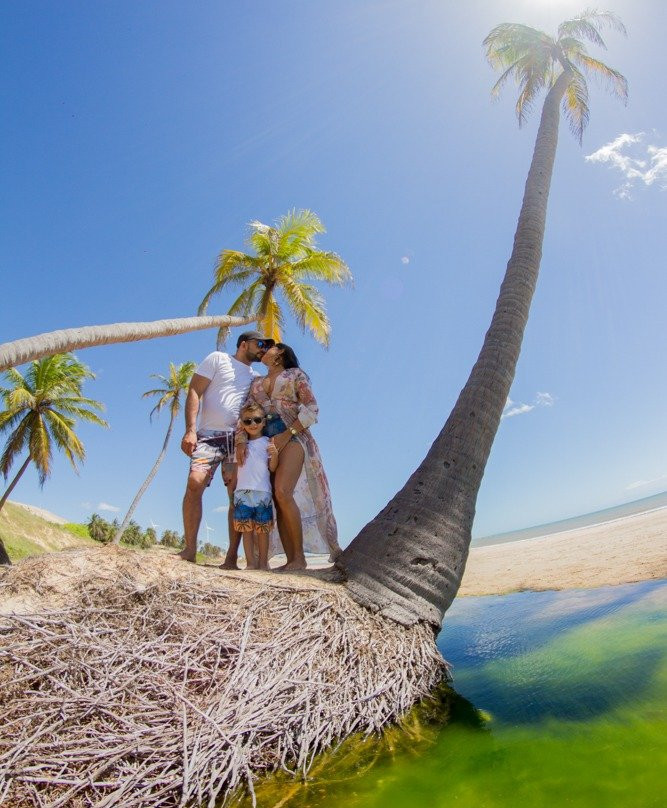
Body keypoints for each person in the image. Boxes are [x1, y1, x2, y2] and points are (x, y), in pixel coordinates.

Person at [237, 342, 341, 570]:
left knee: (283, 492)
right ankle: (291, 560)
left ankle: (299, 559)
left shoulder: (295, 375)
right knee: (276, 498)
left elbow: (312, 409)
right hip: (264, 442)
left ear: (281, 352)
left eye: (270, 348)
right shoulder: (255, 383)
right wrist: (241, 440)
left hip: (293, 436)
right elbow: (244, 413)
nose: (264, 350)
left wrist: (287, 433)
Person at [178, 331, 273, 566]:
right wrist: (190, 429)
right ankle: (189, 549)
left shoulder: (255, 377)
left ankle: (231, 557)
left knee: (236, 498)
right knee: (194, 483)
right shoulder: (218, 358)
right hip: (208, 436)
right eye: (260, 343)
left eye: (266, 346)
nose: (263, 348)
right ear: (243, 344)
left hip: (238, 440)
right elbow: (194, 390)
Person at [233, 402, 279, 570]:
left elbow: (272, 467)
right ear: (242, 424)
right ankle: (250, 563)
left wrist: (275, 455)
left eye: (257, 420)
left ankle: (263, 563)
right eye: (247, 421)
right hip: (242, 492)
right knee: (246, 530)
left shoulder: (268, 442)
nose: (253, 424)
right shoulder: (239, 446)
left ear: (264, 422)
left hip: (263, 492)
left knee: (262, 530)